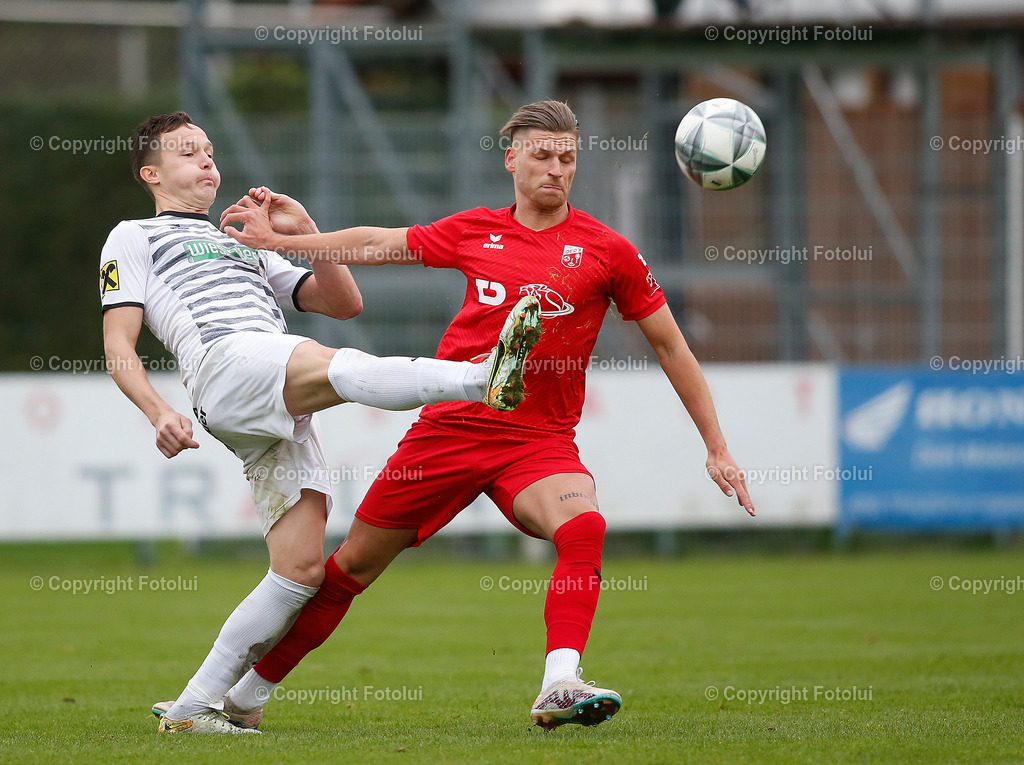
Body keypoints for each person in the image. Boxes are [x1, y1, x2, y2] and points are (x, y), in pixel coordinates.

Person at [208, 99, 755, 732]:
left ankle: (559, 683)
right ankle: (248, 693)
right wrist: (283, 241)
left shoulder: (608, 252)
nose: (556, 168)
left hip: (538, 441)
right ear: (513, 160)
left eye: (568, 158)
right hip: (450, 429)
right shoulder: (477, 230)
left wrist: (716, 446)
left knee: (584, 528)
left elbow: (671, 347)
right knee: (351, 567)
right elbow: (382, 242)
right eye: (543, 155)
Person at [102, 111, 542, 734]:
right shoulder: (134, 236)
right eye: (187, 154)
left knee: (301, 570)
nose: (207, 162)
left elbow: (343, 302)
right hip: (226, 362)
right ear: (151, 173)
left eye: (209, 151)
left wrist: (302, 229)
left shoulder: (244, 238)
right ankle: (479, 377)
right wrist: (159, 410)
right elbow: (118, 343)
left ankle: (194, 706)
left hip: (267, 389)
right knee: (342, 366)